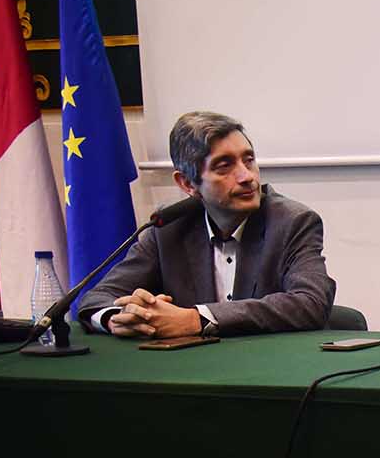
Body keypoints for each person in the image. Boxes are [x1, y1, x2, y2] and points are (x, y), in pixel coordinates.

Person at [79, 111, 335, 338]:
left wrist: (196, 319)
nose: (246, 176)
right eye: (224, 166)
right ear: (187, 184)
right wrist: (121, 317)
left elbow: (311, 303)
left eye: (249, 160)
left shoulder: (292, 222)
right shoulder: (168, 227)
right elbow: (96, 299)